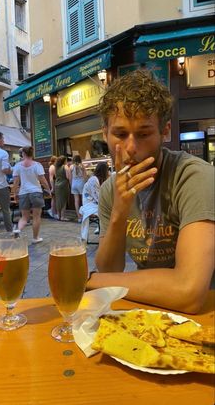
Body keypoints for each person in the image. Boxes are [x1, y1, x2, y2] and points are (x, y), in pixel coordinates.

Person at [86, 70, 215, 314]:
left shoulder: (192, 176)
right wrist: (119, 212)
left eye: (144, 134)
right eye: (120, 134)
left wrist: (88, 281)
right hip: (149, 305)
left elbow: (190, 291)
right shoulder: (108, 191)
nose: (131, 147)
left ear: (164, 131)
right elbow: (110, 270)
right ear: (105, 134)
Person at [13, 146, 51, 243]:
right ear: (32, 154)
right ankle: (35, 238)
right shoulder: (37, 165)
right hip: (36, 192)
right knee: (36, 217)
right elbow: (42, 179)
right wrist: (48, 189)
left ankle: (18, 229)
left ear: (23, 154)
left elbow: (16, 182)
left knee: (24, 217)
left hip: (23, 193)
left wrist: (15, 193)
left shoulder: (17, 166)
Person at [79, 162, 109, 242]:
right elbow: (97, 197)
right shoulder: (93, 180)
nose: (108, 172)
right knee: (108, 211)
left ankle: (104, 231)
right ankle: (106, 233)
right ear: (104, 171)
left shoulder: (98, 179)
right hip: (90, 204)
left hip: (94, 203)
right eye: (107, 170)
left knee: (110, 210)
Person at [70, 154, 87, 222]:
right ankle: (84, 215)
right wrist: (86, 183)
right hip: (81, 183)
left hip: (74, 183)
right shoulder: (82, 166)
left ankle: (79, 217)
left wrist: (71, 185)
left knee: (76, 200)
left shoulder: (71, 166)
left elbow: (70, 177)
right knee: (84, 199)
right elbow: (85, 176)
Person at [54, 155, 71, 221]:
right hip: (64, 185)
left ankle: (58, 215)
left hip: (57, 184)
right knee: (64, 201)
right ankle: (63, 216)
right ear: (64, 161)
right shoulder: (65, 166)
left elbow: (55, 176)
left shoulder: (56, 167)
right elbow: (67, 177)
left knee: (58, 201)